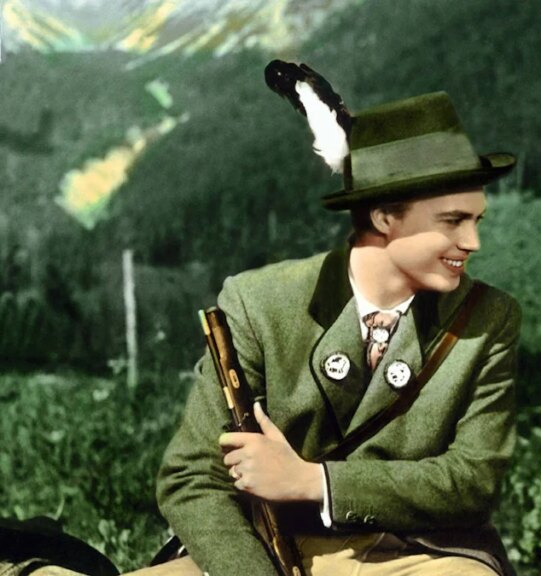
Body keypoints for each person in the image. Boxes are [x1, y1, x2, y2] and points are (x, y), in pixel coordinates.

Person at [137, 64, 521, 576]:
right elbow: (193, 477)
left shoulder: (487, 319)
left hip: (414, 555)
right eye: (453, 222)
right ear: (384, 217)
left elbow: (472, 481)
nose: (472, 243)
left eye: (476, 221)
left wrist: (312, 482)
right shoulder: (259, 303)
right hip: (258, 551)